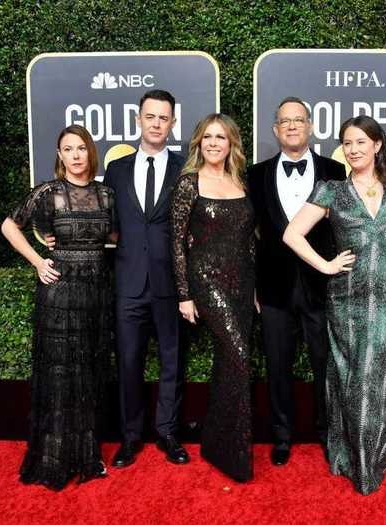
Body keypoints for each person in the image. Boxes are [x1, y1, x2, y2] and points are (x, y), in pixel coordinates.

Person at [283, 115, 386, 496]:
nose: (353, 149)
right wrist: (326, 265)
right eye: (347, 143)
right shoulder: (330, 190)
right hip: (346, 296)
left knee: (375, 369)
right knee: (353, 372)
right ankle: (358, 457)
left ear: (377, 145)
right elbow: (291, 233)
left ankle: (375, 450)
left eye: (361, 142)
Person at [1, 125, 114, 490]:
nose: (76, 155)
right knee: (60, 373)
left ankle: (86, 453)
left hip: (96, 291)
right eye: (68, 149)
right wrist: (37, 259)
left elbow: (115, 236)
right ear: (60, 155)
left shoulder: (105, 194)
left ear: (90, 153)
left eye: (81, 148)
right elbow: (9, 225)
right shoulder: (48, 193)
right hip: (60, 292)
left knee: (89, 370)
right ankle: (53, 456)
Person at [247, 97, 346, 465]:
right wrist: (252, 285)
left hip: (322, 286)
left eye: (299, 120)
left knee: (326, 365)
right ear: (275, 130)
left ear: (310, 127)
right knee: (277, 366)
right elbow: (247, 235)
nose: (292, 126)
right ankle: (282, 436)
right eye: (285, 121)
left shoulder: (335, 171)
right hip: (273, 288)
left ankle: (326, 433)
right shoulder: (255, 175)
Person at [104, 89, 189, 468]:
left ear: (172, 124)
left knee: (173, 361)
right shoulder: (116, 170)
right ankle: (130, 437)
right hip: (128, 283)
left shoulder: (185, 169)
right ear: (138, 120)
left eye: (164, 118)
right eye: (150, 116)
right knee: (128, 362)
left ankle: (168, 433)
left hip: (171, 284)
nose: (156, 123)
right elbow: (106, 223)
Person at [170, 114, 255, 482]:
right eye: (208, 137)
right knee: (238, 355)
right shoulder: (189, 183)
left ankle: (217, 443)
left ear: (231, 143)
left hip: (242, 282)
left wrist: (255, 291)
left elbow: (250, 240)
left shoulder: (239, 181)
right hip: (206, 280)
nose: (214, 143)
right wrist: (185, 295)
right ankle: (234, 454)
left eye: (221, 137)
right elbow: (175, 241)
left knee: (228, 361)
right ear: (198, 143)